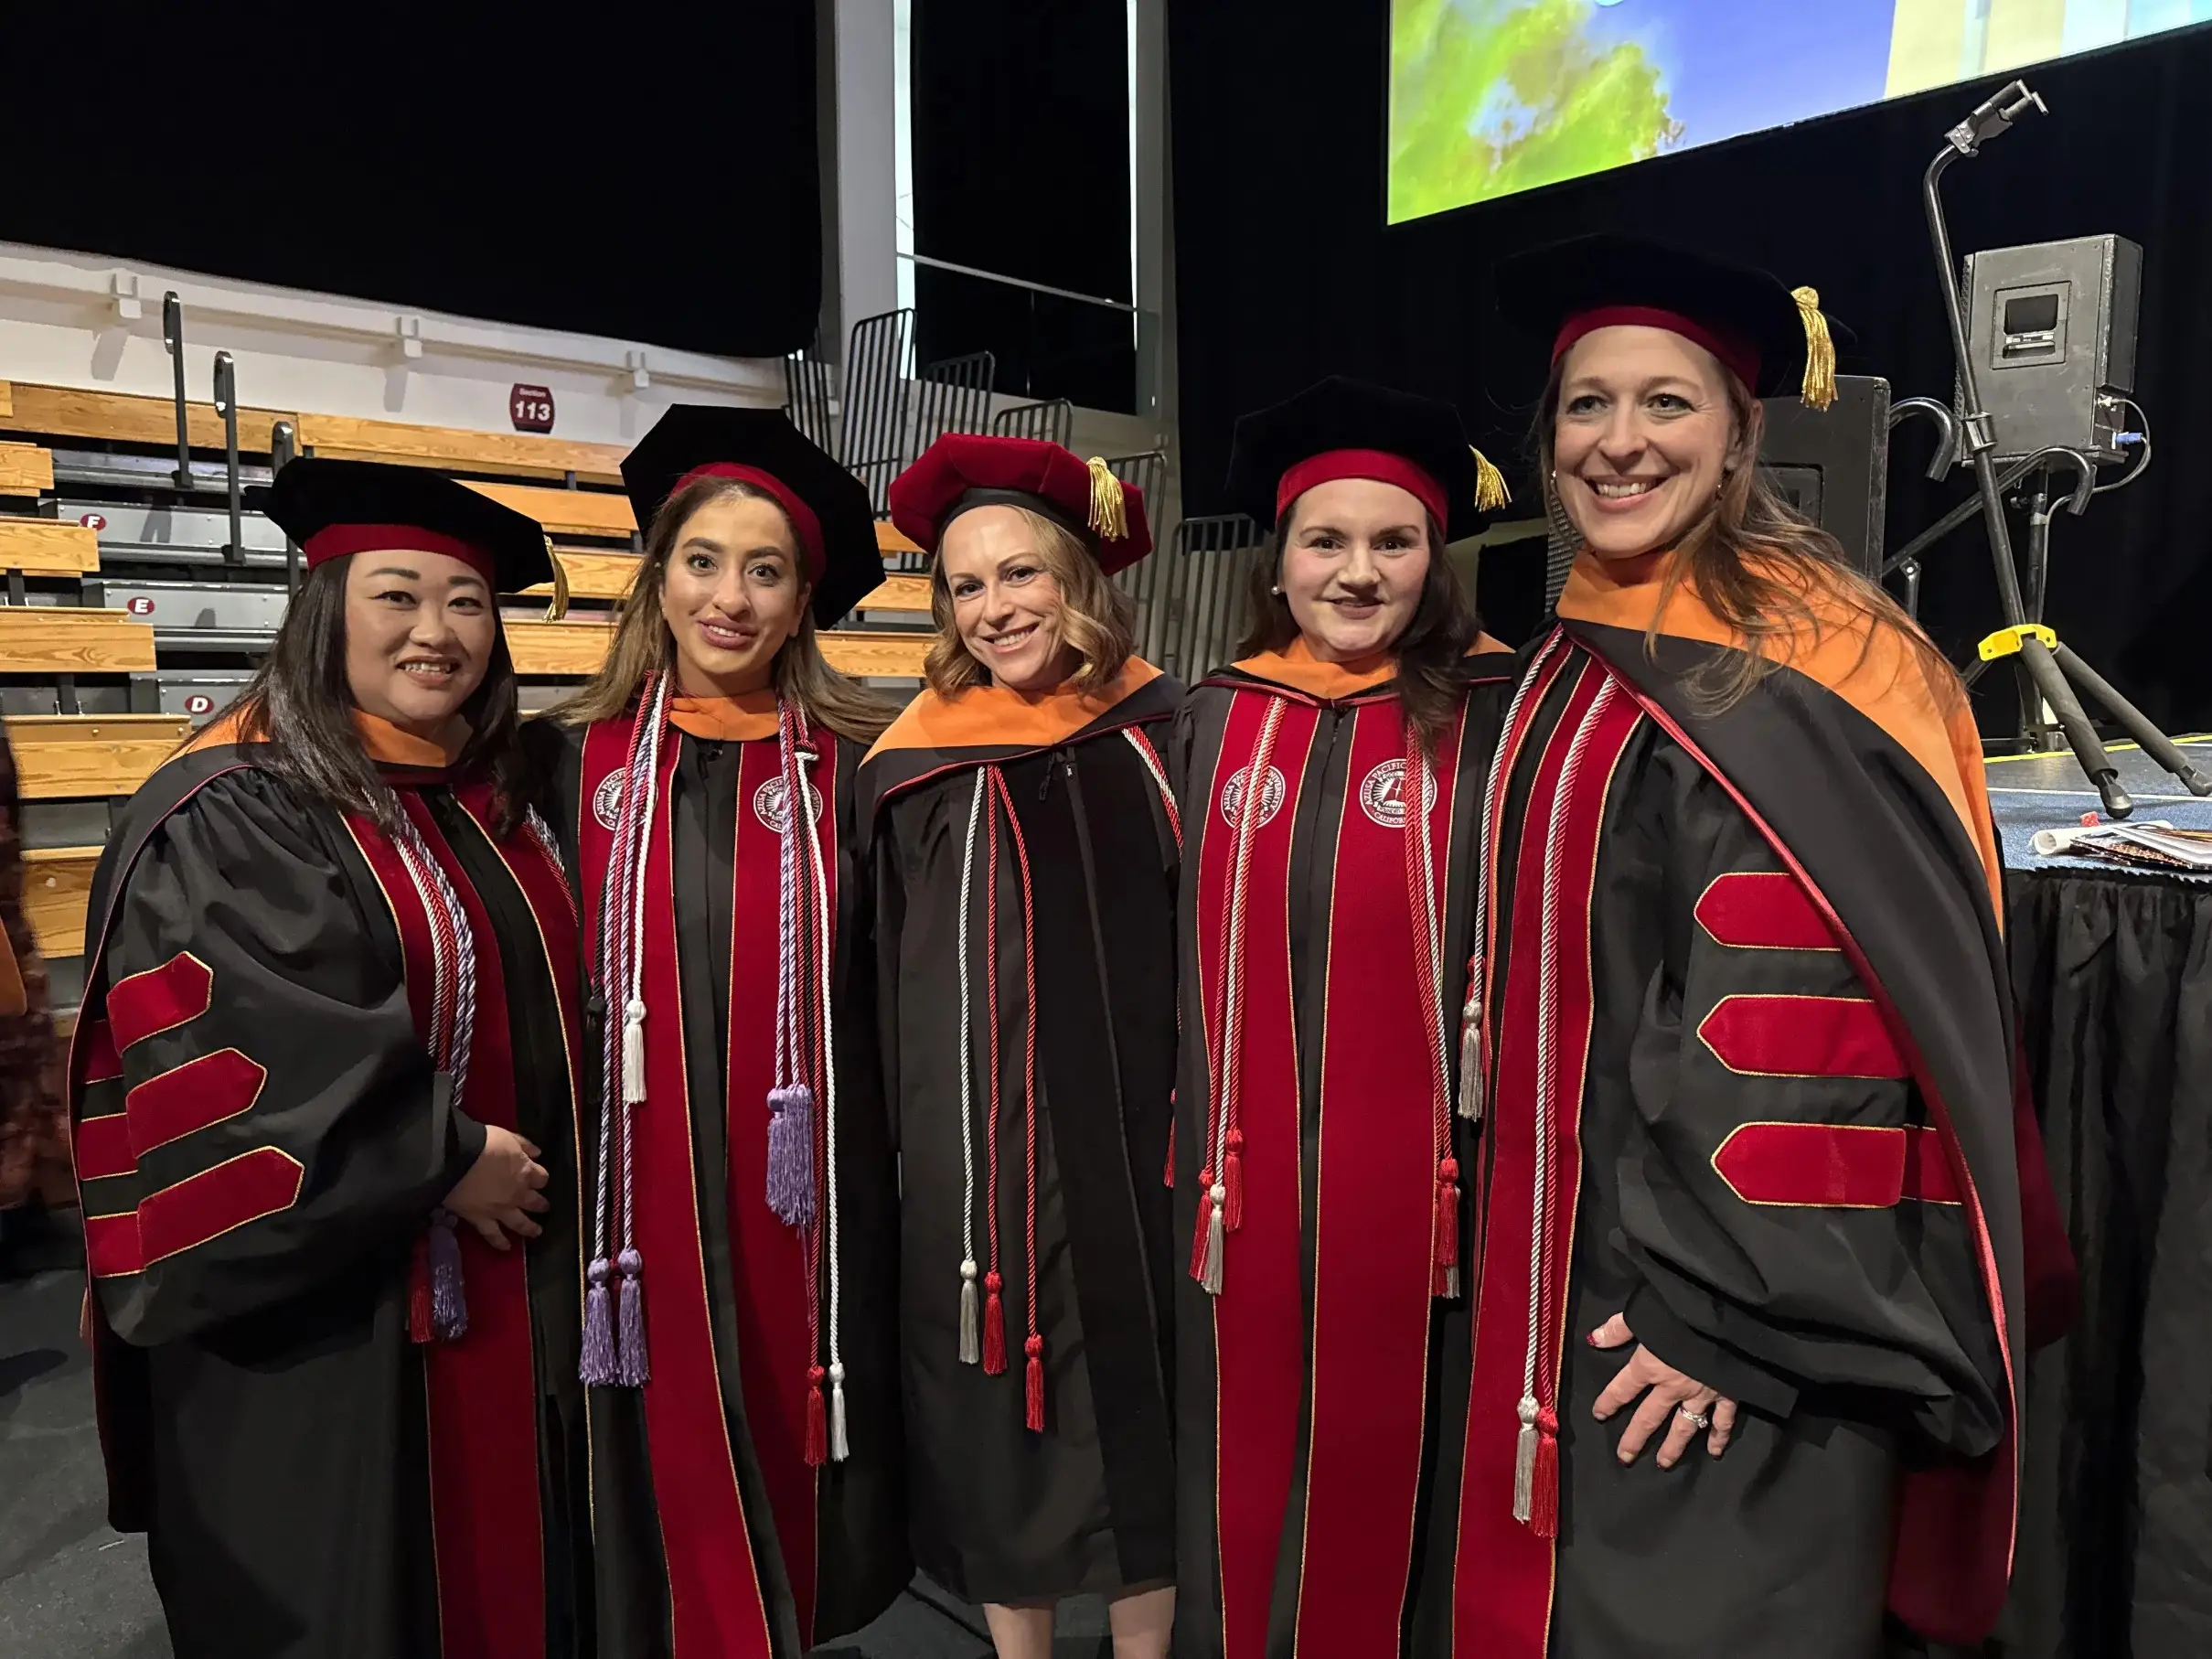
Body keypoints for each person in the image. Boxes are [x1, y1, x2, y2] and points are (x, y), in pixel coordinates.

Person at [1448, 234, 2071, 1659]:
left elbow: (1811, 1025)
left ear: (1737, 432)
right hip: (1580, 1260)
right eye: (1584, 405)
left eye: (1664, 403)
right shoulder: (1580, 639)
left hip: (1724, 1315)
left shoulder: (1794, 660)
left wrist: (1719, 1320)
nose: (1618, 442)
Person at [66, 459, 591, 1659]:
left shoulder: (504, 793)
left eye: (466, 602)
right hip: (330, 1322)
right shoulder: (237, 806)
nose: (436, 631)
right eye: (397, 595)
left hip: (517, 1287)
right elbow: (247, 1037)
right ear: (326, 605)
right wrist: (441, 1157)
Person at [529, 405, 909, 1658]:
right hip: (629, 1204)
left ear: (805, 599)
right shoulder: (564, 763)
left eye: (765, 570)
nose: (729, 598)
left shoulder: (854, 767)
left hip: (808, 1206)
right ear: (660, 574)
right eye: (703, 561)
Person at [1170, 376, 1517, 1659]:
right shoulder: (1209, 714)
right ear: (1279, 553)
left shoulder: (1499, 718)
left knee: (1406, 1479)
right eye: (1326, 540)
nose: (1357, 572)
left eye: (1393, 541)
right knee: (1244, 1467)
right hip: (1241, 1191)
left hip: (1432, 1204)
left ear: (1437, 553)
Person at [860, 435, 1182, 1659]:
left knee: (1145, 1400)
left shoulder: (1165, 733)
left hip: (1139, 1138)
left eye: (1022, 575)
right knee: (991, 1406)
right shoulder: (907, 769)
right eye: (967, 585)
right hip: (972, 1153)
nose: (994, 608)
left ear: (1080, 580)